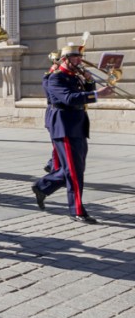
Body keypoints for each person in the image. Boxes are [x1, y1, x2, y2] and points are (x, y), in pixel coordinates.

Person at [31, 44, 112, 222]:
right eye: (75, 57)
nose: (79, 60)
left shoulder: (74, 76)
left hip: (78, 124)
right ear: (65, 59)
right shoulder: (55, 78)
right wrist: (97, 94)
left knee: (77, 167)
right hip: (64, 125)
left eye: (80, 57)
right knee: (74, 171)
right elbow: (68, 98)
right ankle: (76, 210)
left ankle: (43, 186)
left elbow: (84, 92)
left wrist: (89, 80)